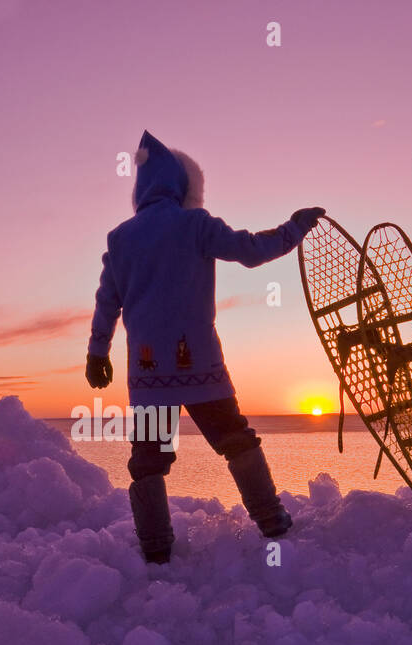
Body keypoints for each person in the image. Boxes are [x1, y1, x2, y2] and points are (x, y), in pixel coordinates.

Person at [85, 129, 325, 563]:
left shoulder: (120, 238)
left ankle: (156, 549)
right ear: (183, 186)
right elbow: (251, 250)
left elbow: (107, 302)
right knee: (236, 439)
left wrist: (97, 352)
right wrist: (294, 228)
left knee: (149, 459)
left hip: (148, 372)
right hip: (201, 366)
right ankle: (272, 520)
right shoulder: (195, 224)